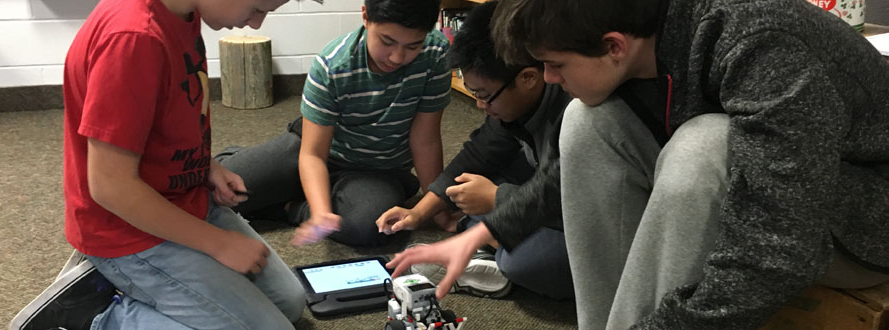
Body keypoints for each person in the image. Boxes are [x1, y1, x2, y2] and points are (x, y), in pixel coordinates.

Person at [487, 0, 889, 329]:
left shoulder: (762, 42)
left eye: (555, 64)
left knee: (705, 144)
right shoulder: (640, 32)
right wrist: (496, 226)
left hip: (865, 220)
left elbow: (780, 250)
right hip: (782, 198)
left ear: (613, 47)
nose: (548, 78)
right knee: (585, 121)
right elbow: (574, 171)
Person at [11, 0, 307, 329]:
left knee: (290, 303)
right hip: (127, 229)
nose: (256, 24)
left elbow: (164, 118)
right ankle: (95, 316)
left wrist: (207, 166)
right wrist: (218, 243)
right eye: (257, 7)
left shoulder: (186, 11)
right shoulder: (134, 38)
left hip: (185, 200)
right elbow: (110, 186)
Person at [375, 1, 573, 300]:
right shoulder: (511, 106)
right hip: (544, 192)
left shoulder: (576, 114)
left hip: (583, 219)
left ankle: (486, 247)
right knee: (469, 184)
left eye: (485, 96)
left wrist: (497, 199)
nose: (480, 106)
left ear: (529, 79)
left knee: (522, 261)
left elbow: (575, 201)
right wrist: (419, 212)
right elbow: (479, 154)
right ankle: (483, 241)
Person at [215, 0, 452, 247]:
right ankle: (242, 160)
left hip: (377, 171)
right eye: (387, 41)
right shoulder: (332, 64)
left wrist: (437, 209)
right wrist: (319, 210)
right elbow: (313, 154)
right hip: (314, 148)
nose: (397, 57)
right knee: (218, 193)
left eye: (413, 45)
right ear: (365, 17)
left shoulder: (435, 54)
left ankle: (290, 206)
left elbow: (426, 141)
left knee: (370, 227)